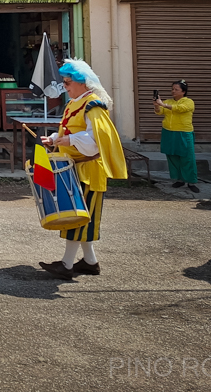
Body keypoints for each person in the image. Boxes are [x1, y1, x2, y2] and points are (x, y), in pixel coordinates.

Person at [38, 59, 128, 280]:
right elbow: (68, 131)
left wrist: (69, 140)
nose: (65, 86)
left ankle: (67, 265)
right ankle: (90, 262)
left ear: (83, 83)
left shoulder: (93, 105)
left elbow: (96, 140)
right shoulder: (74, 103)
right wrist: (53, 139)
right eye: (64, 82)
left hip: (89, 170)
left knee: (77, 218)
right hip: (74, 168)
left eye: (68, 82)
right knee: (81, 216)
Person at [155, 80, 198, 193]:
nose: (173, 91)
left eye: (176, 89)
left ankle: (191, 181)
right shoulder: (168, 101)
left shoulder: (189, 102)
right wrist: (157, 106)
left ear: (183, 92)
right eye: (172, 89)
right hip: (168, 132)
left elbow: (180, 109)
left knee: (187, 157)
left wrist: (163, 104)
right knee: (172, 156)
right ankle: (179, 179)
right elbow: (159, 112)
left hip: (184, 132)